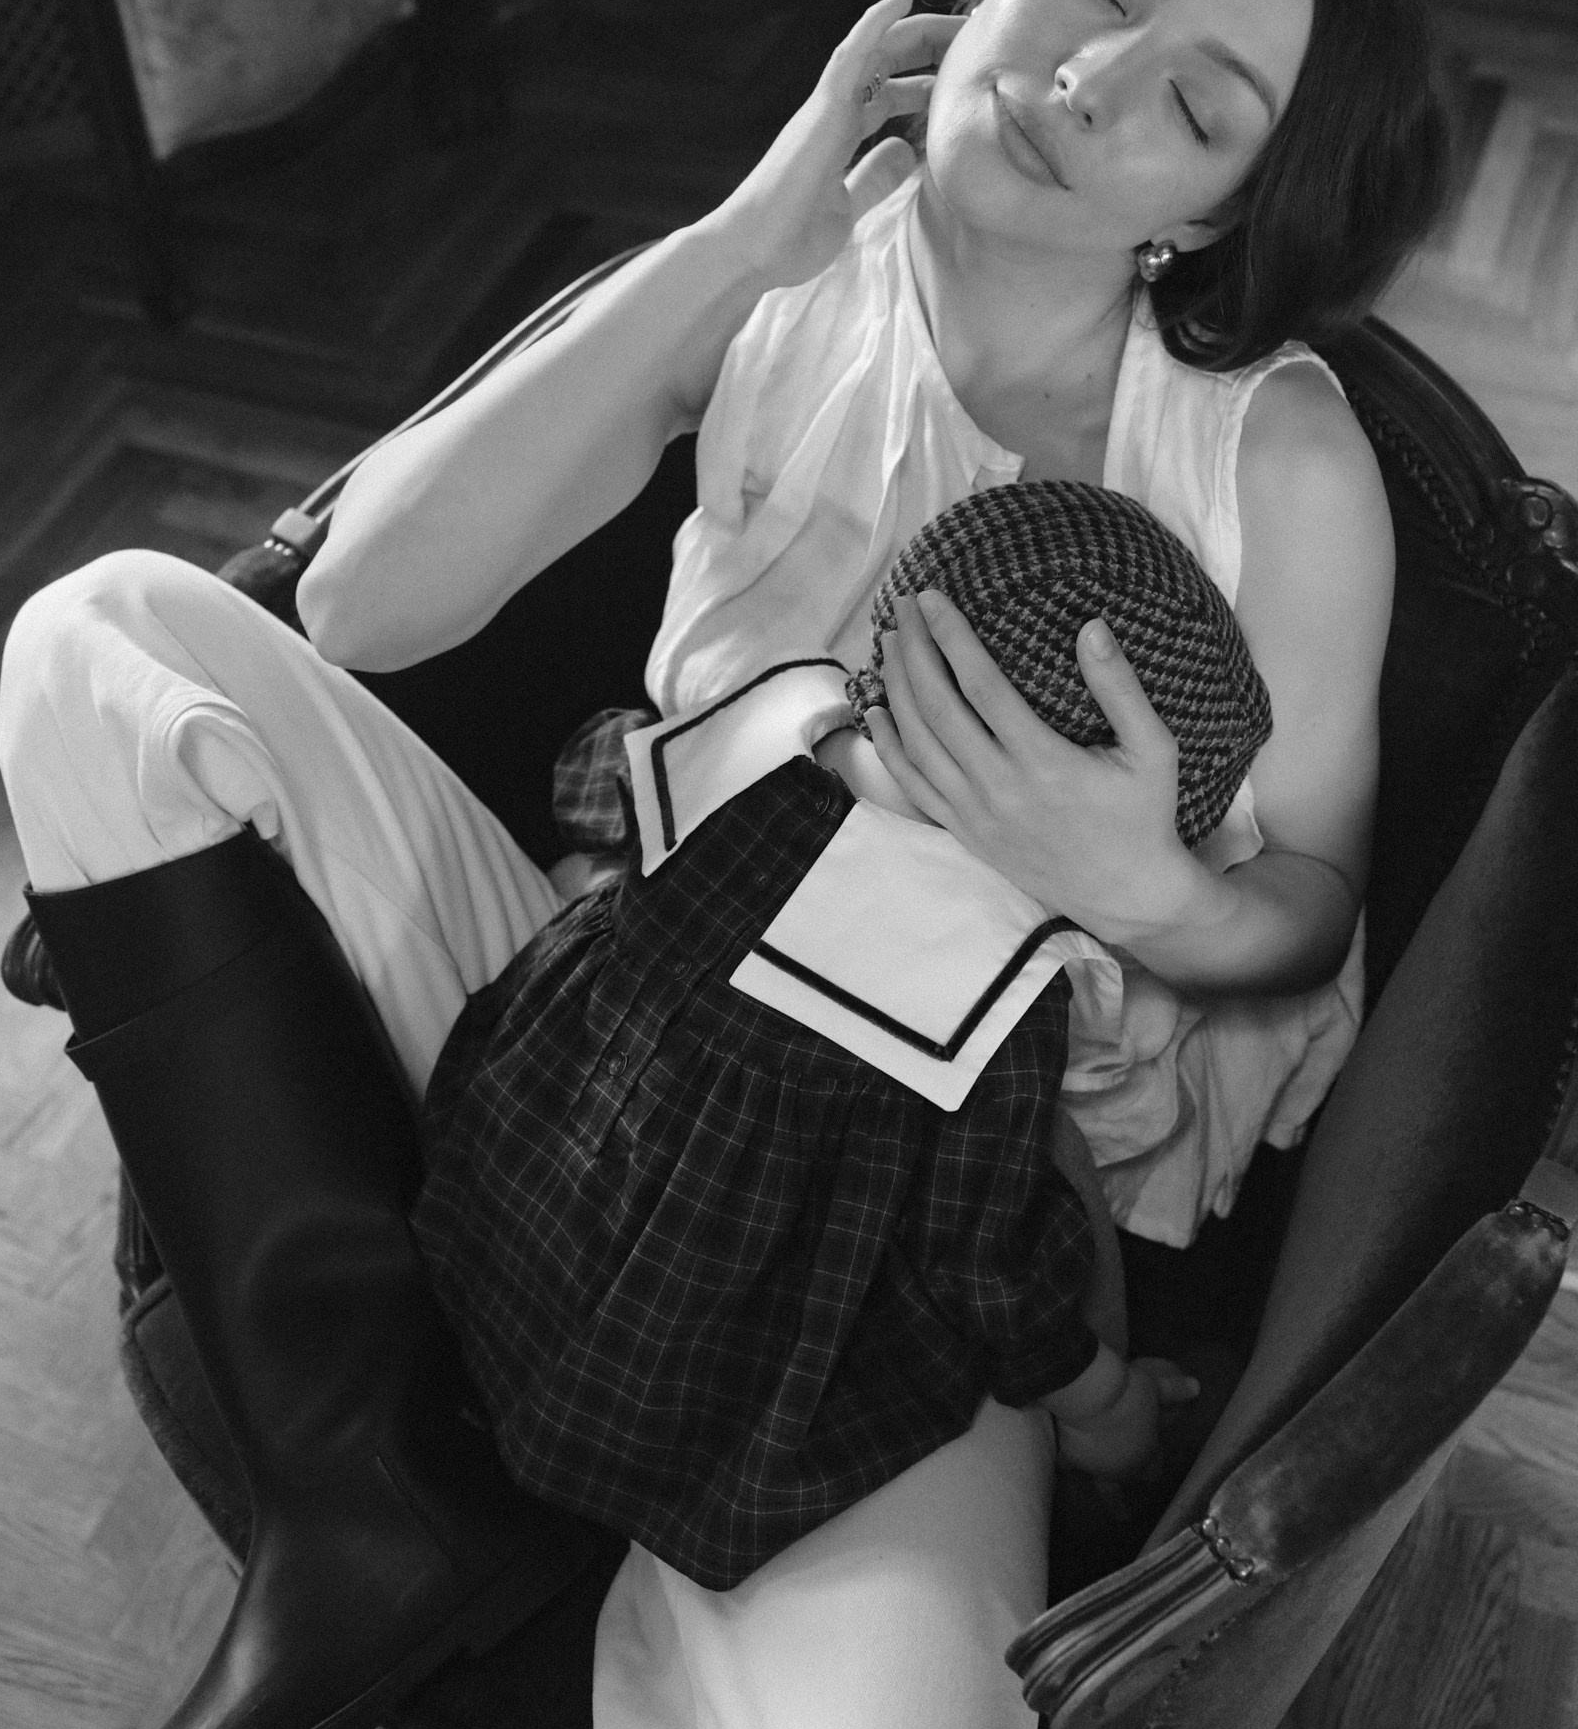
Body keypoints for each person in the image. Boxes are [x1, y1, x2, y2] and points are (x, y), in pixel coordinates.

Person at [0, 0, 1448, 1729]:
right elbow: (366, 609)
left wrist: (1135, 882)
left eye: (1193, 106)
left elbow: (1314, 913)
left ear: (1217, 213)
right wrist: (744, 241)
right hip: (579, 1021)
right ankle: (363, 1498)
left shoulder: (1274, 461)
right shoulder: (792, 270)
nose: (1087, 79)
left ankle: (648, 1528)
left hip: (911, 1217)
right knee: (101, 642)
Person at [412, 478, 1271, 1596]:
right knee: (1053, 1196)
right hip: (685, 1394)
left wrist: (614, 894)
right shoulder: (988, 986)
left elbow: (601, 775)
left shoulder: (765, 736)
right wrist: (1100, 1395)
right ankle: (1098, 1479)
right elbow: (985, 1265)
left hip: (511, 1219)